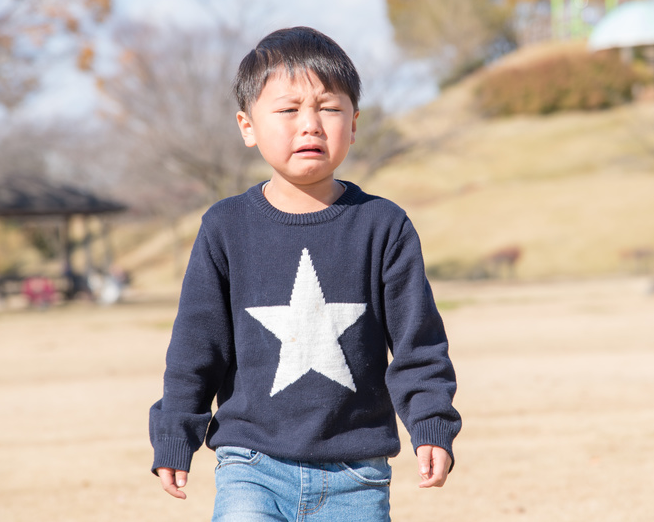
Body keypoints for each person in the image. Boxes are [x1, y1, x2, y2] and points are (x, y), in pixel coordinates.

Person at [149, 26, 461, 521]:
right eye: (288, 109)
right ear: (247, 126)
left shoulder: (384, 226)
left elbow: (417, 342)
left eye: (329, 109)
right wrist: (175, 433)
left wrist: (430, 422)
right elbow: (195, 346)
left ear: (354, 124)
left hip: (356, 473)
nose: (310, 125)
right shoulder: (225, 227)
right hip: (249, 464)